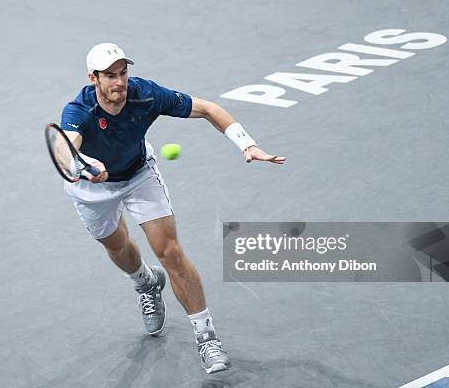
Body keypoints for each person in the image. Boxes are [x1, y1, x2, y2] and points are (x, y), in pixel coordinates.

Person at [60, 42, 286, 374]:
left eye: (123, 73)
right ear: (93, 78)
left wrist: (246, 144)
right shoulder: (78, 111)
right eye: (110, 76)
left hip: (138, 174)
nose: (119, 82)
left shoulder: (146, 94)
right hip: (92, 188)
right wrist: (83, 164)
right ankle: (146, 283)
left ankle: (207, 337)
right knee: (117, 246)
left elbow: (207, 109)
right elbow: (65, 150)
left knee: (171, 251)